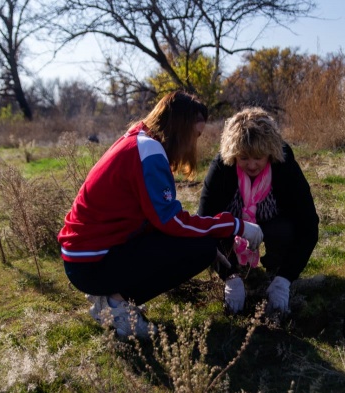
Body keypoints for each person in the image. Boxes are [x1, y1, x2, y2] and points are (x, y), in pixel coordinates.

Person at [57, 91, 263, 339]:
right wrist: (235, 226)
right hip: (91, 262)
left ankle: (110, 298)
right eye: (195, 135)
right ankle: (117, 307)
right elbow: (171, 221)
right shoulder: (149, 152)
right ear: (180, 128)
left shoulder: (137, 139)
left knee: (197, 245)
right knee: (200, 251)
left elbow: (151, 218)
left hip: (83, 257)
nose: (194, 143)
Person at [198, 107, 319, 314]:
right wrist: (229, 276)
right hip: (233, 228)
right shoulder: (222, 167)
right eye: (244, 158)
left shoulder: (284, 163)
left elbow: (308, 224)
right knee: (220, 234)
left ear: (270, 153)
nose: (252, 165)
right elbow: (205, 223)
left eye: (258, 157)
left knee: (285, 231)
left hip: (275, 225)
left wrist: (286, 278)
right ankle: (238, 273)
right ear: (233, 154)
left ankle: (276, 274)